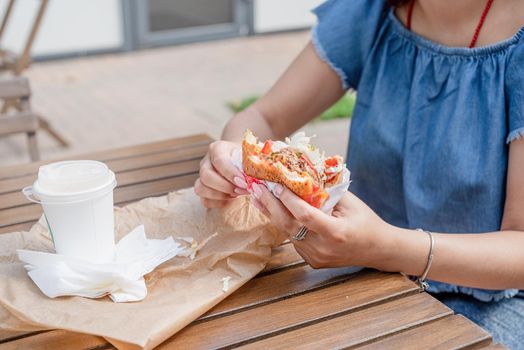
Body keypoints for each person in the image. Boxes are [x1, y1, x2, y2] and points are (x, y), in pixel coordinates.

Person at [193, 0, 524, 347]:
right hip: (362, 275)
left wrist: (384, 248)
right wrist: (232, 157)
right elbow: (265, 118)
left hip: (490, 306)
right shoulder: (371, 11)